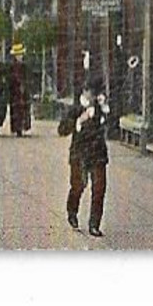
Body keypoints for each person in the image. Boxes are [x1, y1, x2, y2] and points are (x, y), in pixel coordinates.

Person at [59, 75, 110, 237]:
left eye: (95, 93)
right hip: (79, 154)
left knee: (99, 188)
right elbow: (62, 130)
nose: (92, 96)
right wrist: (78, 121)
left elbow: (112, 123)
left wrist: (106, 108)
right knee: (78, 185)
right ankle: (72, 211)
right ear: (84, 92)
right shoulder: (74, 109)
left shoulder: (101, 107)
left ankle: (94, 224)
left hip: (98, 154)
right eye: (90, 93)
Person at [9, 48, 32, 136]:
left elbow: (28, 77)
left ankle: (24, 127)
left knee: (24, 110)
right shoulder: (12, 66)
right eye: (18, 55)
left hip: (24, 92)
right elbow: (11, 78)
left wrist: (26, 85)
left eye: (21, 55)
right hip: (16, 92)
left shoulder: (25, 66)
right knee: (16, 110)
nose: (20, 57)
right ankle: (17, 128)